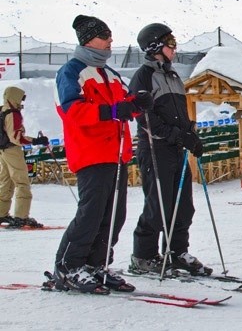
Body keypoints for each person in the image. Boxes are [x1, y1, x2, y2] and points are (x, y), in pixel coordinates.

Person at [53, 15, 151, 294]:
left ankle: (96, 265)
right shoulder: (73, 72)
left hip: (116, 153)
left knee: (114, 215)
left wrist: (137, 103)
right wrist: (112, 111)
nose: (110, 40)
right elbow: (73, 111)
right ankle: (68, 266)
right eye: (105, 35)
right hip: (91, 152)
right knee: (91, 213)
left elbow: (123, 106)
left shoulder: (110, 74)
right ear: (88, 40)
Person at [127, 23, 210, 278]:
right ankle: (144, 255)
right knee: (158, 205)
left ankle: (176, 252)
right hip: (156, 148)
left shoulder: (173, 77)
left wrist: (190, 135)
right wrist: (176, 135)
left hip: (176, 148)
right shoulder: (143, 76)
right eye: (170, 43)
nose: (174, 48)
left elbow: (181, 115)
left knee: (183, 206)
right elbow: (144, 117)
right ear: (154, 47)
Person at [0, 86, 49, 228]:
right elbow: (16, 137)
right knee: (22, 182)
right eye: (21, 98)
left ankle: (1, 212)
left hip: (3, 151)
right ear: (14, 96)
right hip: (12, 150)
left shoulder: (2, 110)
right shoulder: (13, 114)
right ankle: (21, 216)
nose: (22, 101)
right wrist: (35, 141)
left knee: (6, 182)